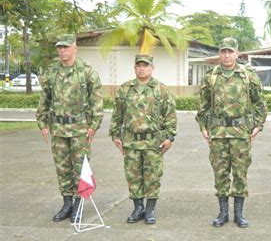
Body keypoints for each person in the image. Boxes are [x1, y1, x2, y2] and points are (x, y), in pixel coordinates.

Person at [195, 38, 267, 228]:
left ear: (237, 54)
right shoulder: (211, 76)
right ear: (220, 54)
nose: (226, 55)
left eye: (230, 52)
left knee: (240, 173)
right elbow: (202, 106)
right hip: (218, 133)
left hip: (241, 132)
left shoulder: (247, 75)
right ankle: (223, 213)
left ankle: (239, 214)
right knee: (220, 173)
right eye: (223, 51)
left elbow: (260, 103)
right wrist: (203, 127)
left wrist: (258, 126)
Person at [36, 34, 103, 222]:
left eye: (66, 47)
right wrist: (42, 123)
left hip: (80, 128)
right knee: (62, 168)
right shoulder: (51, 72)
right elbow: (45, 99)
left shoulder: (87, 72)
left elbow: (96, 101)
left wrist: (94, 126)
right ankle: (67, 204)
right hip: (58, 128)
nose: (62, 51)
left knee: (81, 168)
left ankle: (78, 205)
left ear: (75, 48)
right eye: (60, 47)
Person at [109, 54, 177, 224]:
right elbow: (117, 114)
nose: (142, 68)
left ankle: (150, 209)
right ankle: (138, 207)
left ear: (152, 68)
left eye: (145, 65)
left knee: (152, 176)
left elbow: (170, 115)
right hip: (131, 141)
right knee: (133, 176)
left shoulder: (161, 89)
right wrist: (115, 135)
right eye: (138, 65)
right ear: (134, 68)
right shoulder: (125, 89)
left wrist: (170, 137)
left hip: (153, 142)